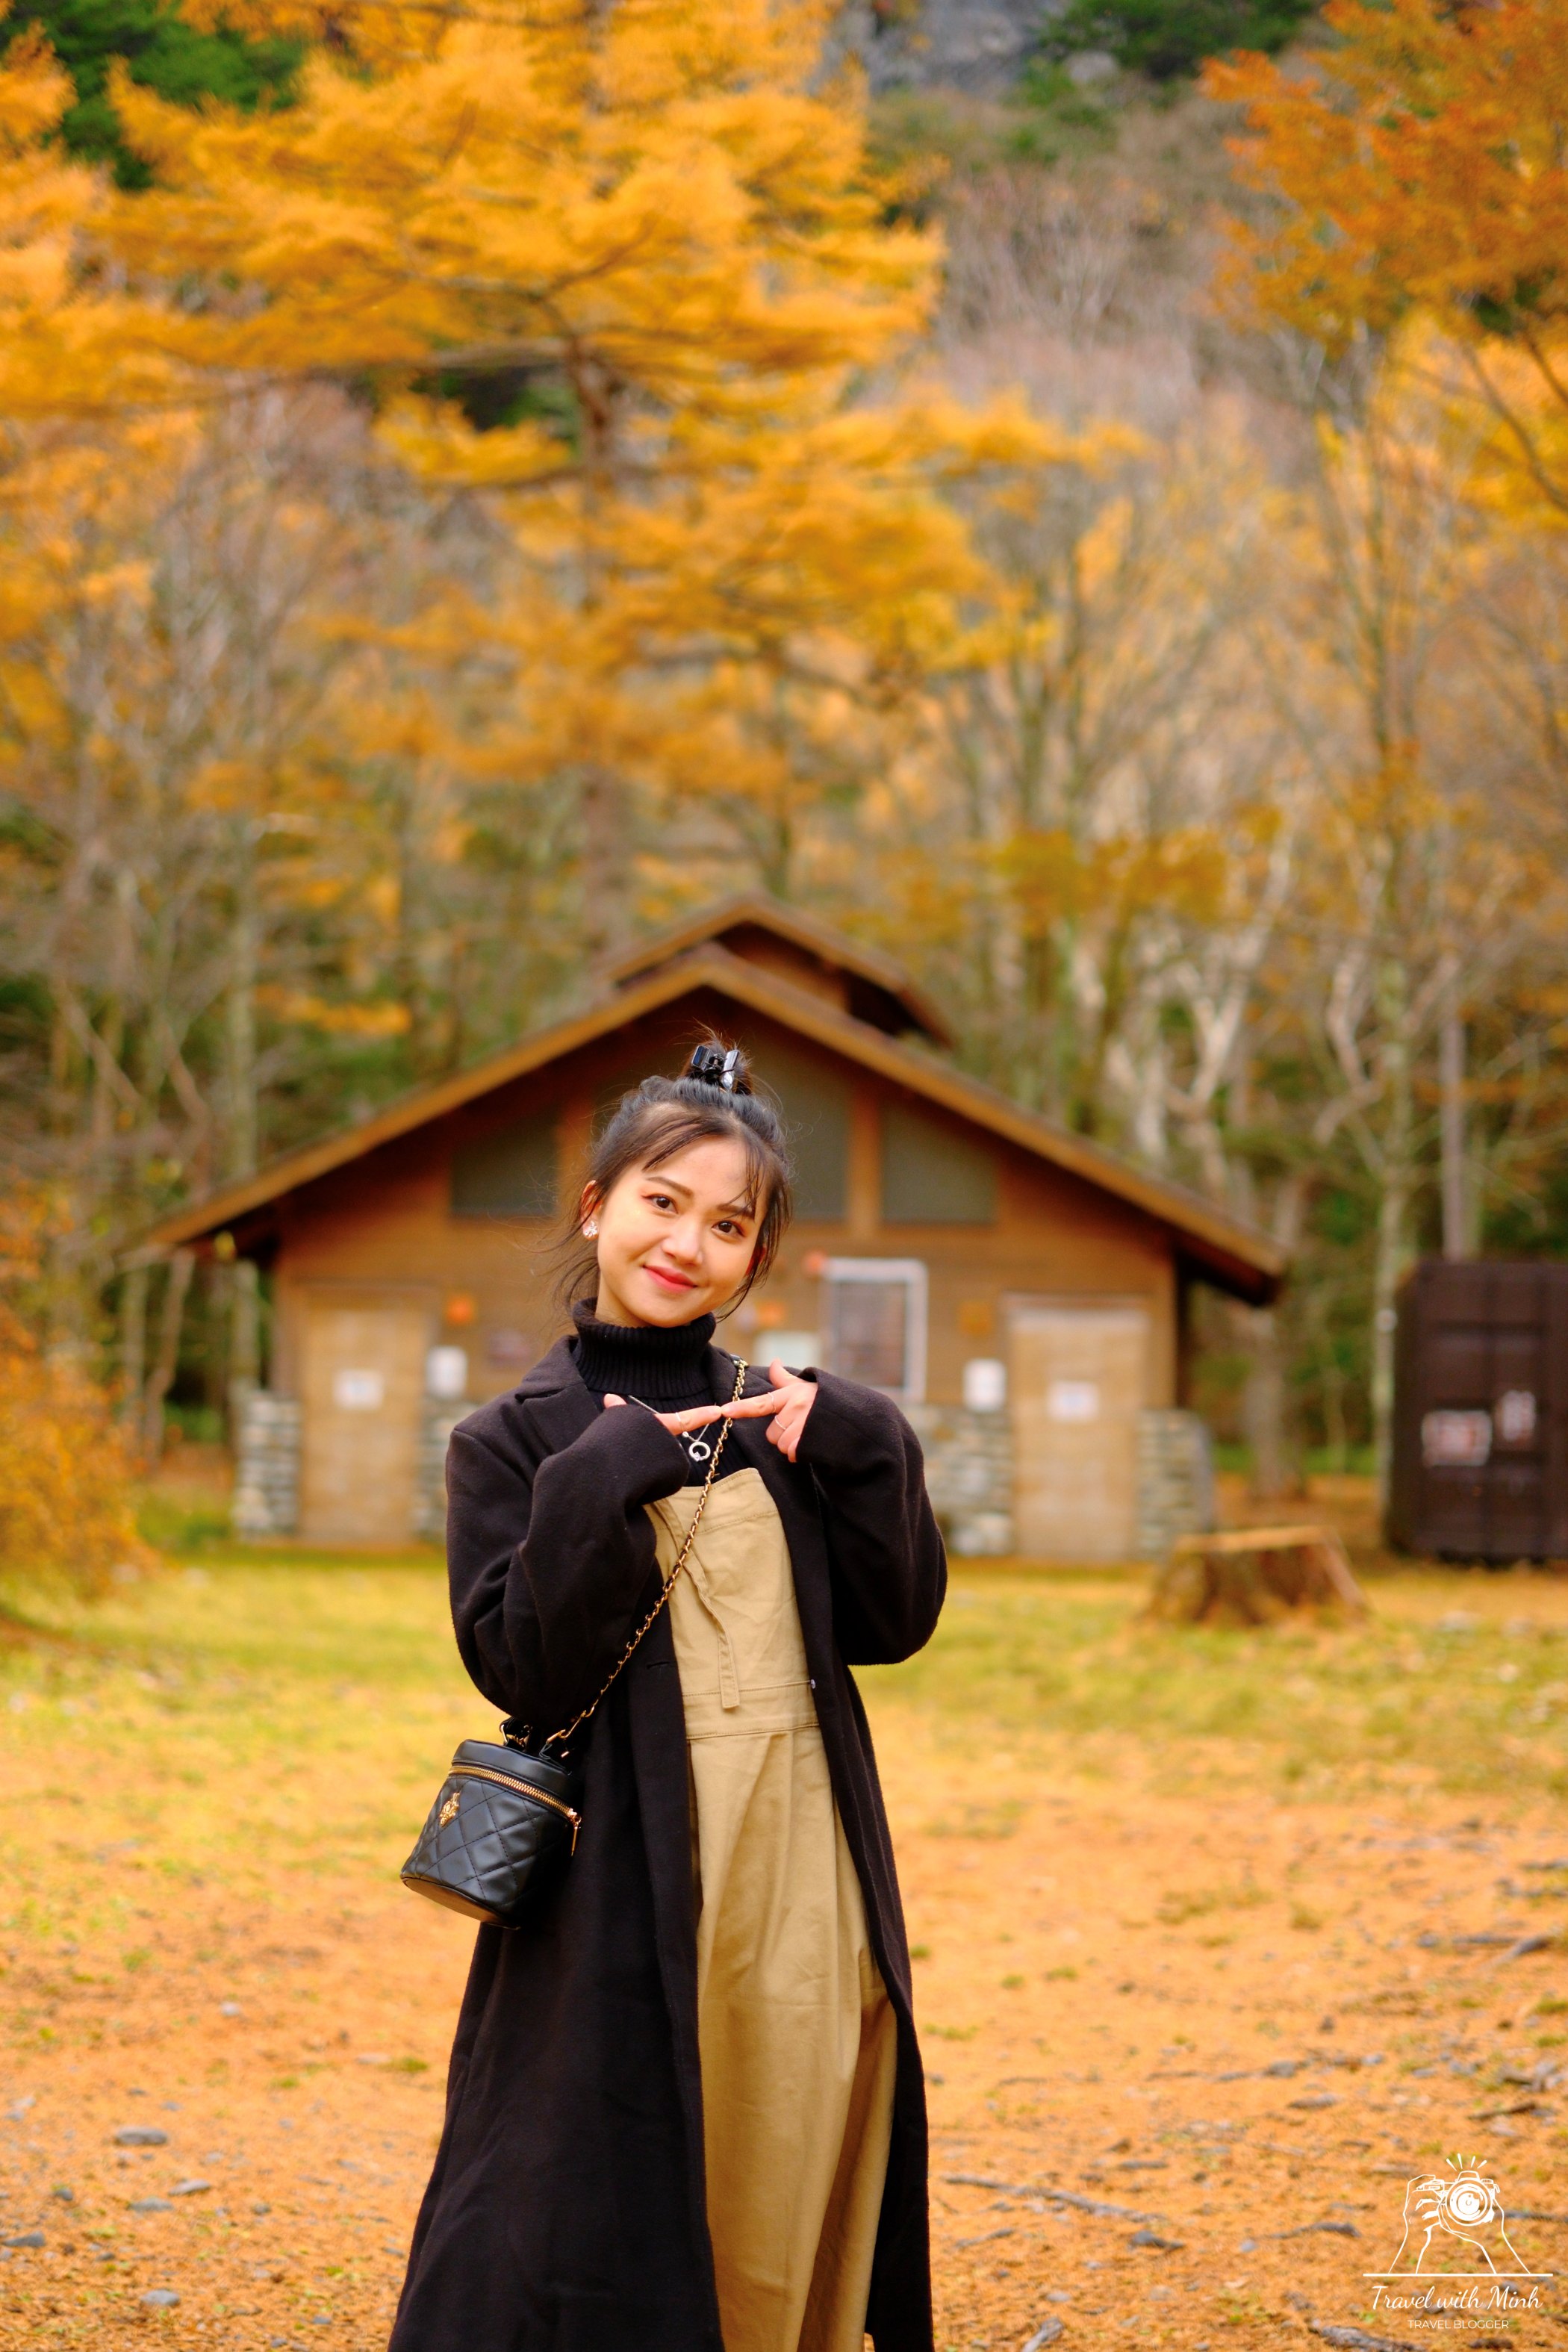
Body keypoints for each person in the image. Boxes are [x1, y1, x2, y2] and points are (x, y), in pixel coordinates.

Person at [390, 1038, 947, 2352]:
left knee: (783, 2140)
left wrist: (869, 1448)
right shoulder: (511, 1438)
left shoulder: (783, 1416)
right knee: (587, 2174)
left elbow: (894, 1621)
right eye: (661, 1201)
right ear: (596, 1207)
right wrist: (598, 1473)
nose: (687, 1243)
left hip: (799, 1863)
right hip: (618, 1878)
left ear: (757, 1259)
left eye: (729, 1223)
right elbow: (524, 1668)